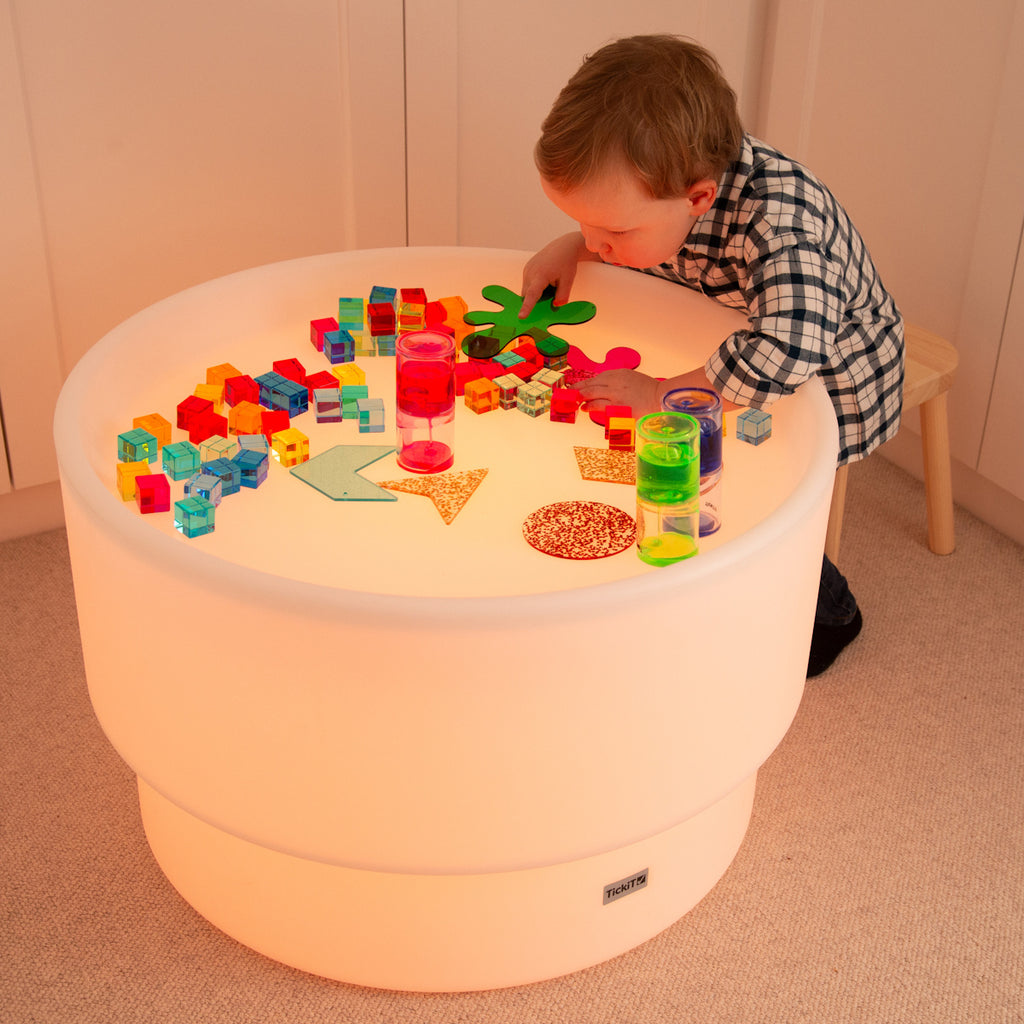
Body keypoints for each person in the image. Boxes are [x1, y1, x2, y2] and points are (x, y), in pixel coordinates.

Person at [520, 34, 904, 678]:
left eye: (612, 232)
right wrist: (575, 248)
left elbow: (787, 351)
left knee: (762, 495)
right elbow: (636, 233)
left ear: (697, 198)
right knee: (699, 468)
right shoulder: (670, 191)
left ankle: (831, 610)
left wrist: (658, 391)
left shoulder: (782, 227)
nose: (598, 241)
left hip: (831, 377)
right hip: (744, 340)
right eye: (583, 223)